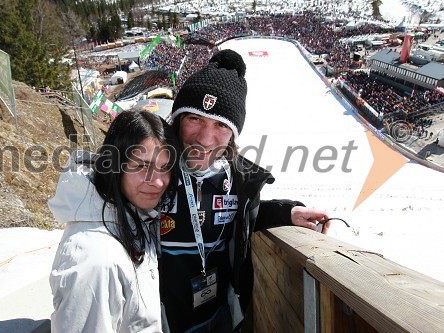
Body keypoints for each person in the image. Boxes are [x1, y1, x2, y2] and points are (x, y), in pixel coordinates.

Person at [159, 49, 330, 332]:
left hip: (220, 318)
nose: (204, 138)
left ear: (233, 134)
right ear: (177, 120)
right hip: (161, 321)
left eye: (220, 125)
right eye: (195, 119)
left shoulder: (236, 179)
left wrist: (287, 212)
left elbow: (243, 216)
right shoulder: (151, 172)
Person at [48, 110, 179, 333]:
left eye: (164, 168)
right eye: (141, 166)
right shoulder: (95, 258)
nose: (157, 182)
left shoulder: (135, 216)